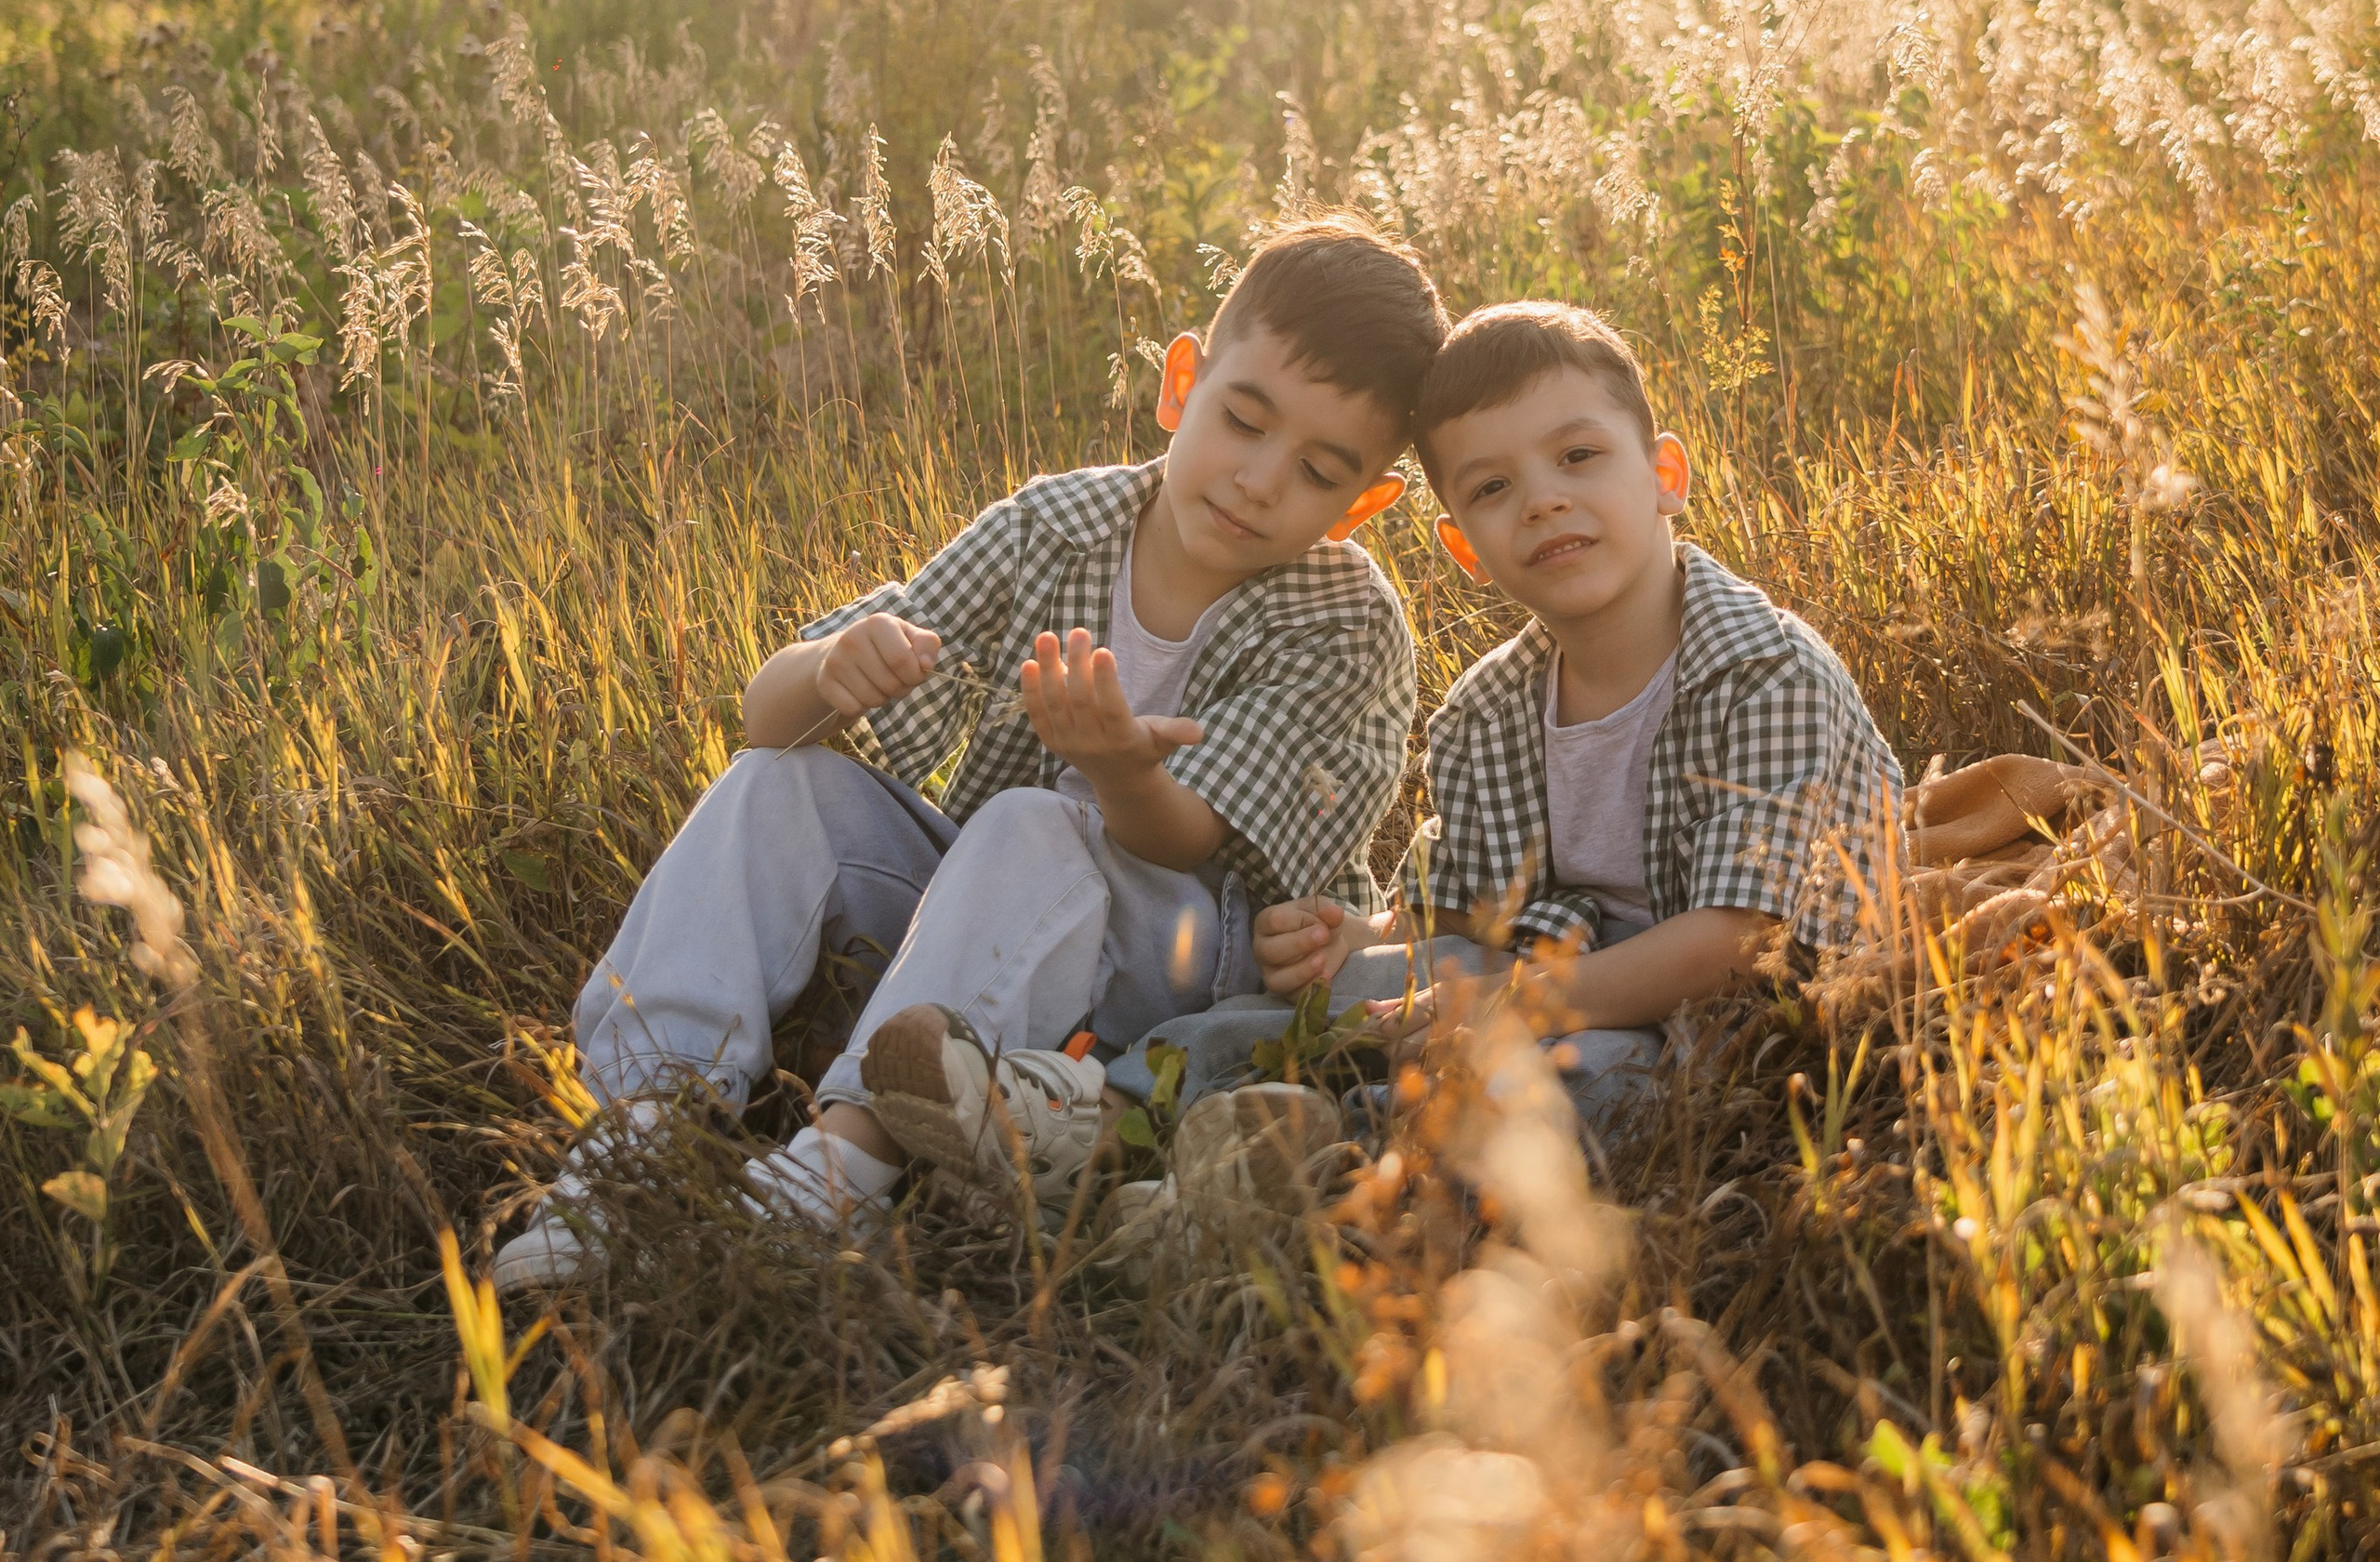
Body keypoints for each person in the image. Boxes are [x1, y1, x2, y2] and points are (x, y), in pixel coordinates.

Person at [493, 218, 1448, 1288]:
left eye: (1317, 471)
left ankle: (843, 1168)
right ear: (1182, 384)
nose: (1260, 479)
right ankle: (637, 1142)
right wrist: (830, 669)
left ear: (1360, 506)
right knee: (776, 785)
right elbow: (769, 718)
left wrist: (1120, 769)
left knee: (1044, 817)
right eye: (1243, 421)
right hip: (989, 918)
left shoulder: (1344, 619)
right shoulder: (1058, 524)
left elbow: (1185, 841)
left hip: (1190, 961)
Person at [1248, 298, 1903, 1126]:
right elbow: (1472, 909)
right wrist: (1362, 936)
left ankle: (1353, 1139)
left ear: (1666, 476)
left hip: (1724, 1014)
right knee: (1334, 993)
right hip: (1549, 974)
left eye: (1578, 455)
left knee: (1572, 1077)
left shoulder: (1765, 674)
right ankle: (1128, 1100)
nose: (1543, 500)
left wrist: (1512, 1005)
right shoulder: (1487, 710)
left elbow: (1743, 943)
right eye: (1493, 486)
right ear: (1466, 550)